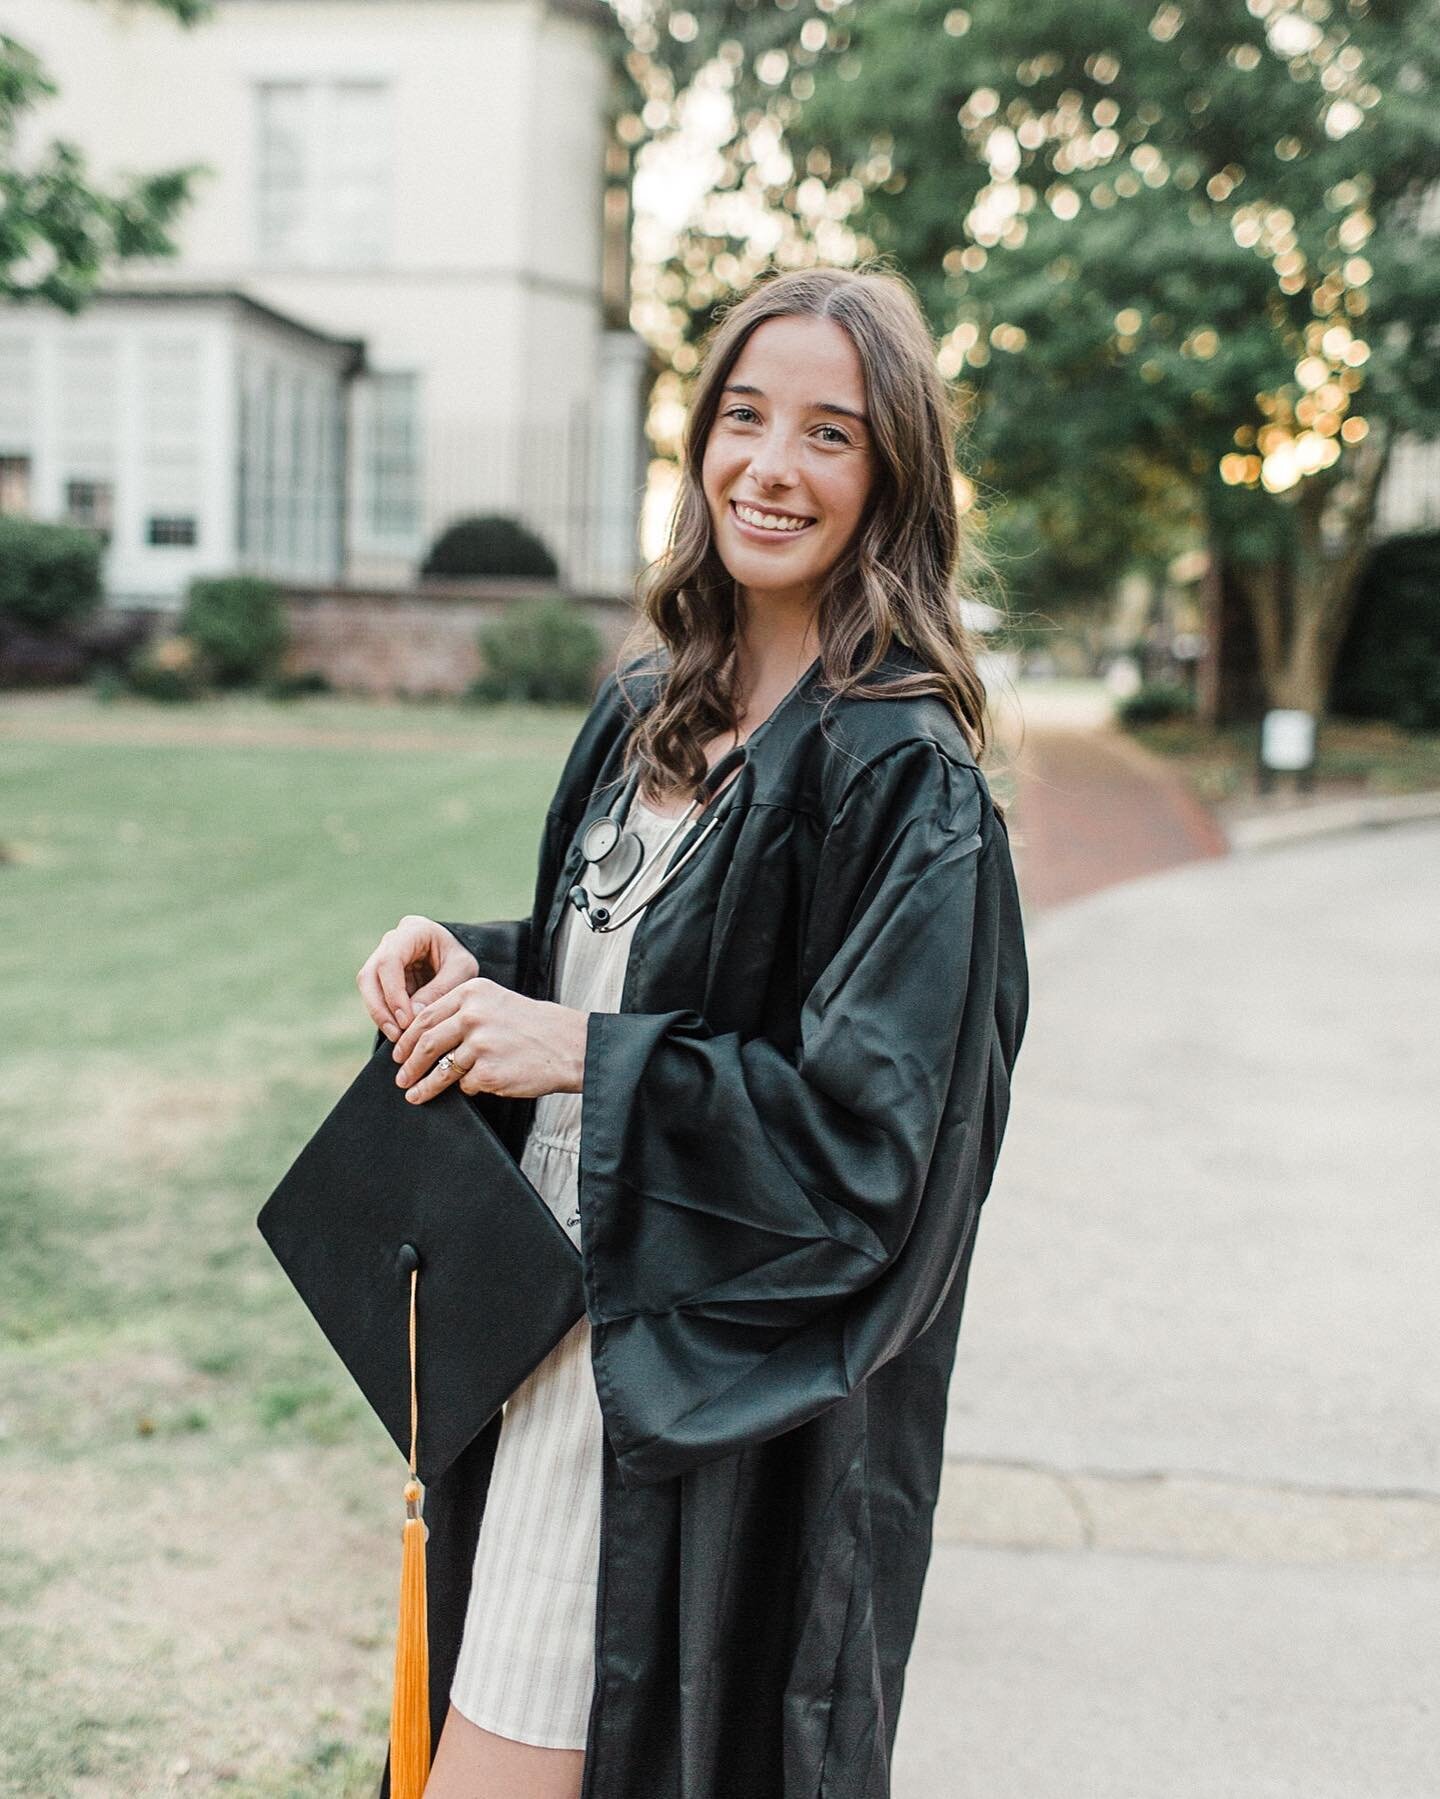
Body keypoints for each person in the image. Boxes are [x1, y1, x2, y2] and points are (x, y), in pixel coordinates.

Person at [356, 263, 1029, 1799]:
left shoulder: (901, 778)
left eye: (829, 434)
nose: (771, 467)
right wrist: (472, 965)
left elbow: (873, 1142)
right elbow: (638, 963)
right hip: (549, 1328)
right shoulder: (651, 703)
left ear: (893, 478)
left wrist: (578, 1057)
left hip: (689, 1388)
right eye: (744, 417)